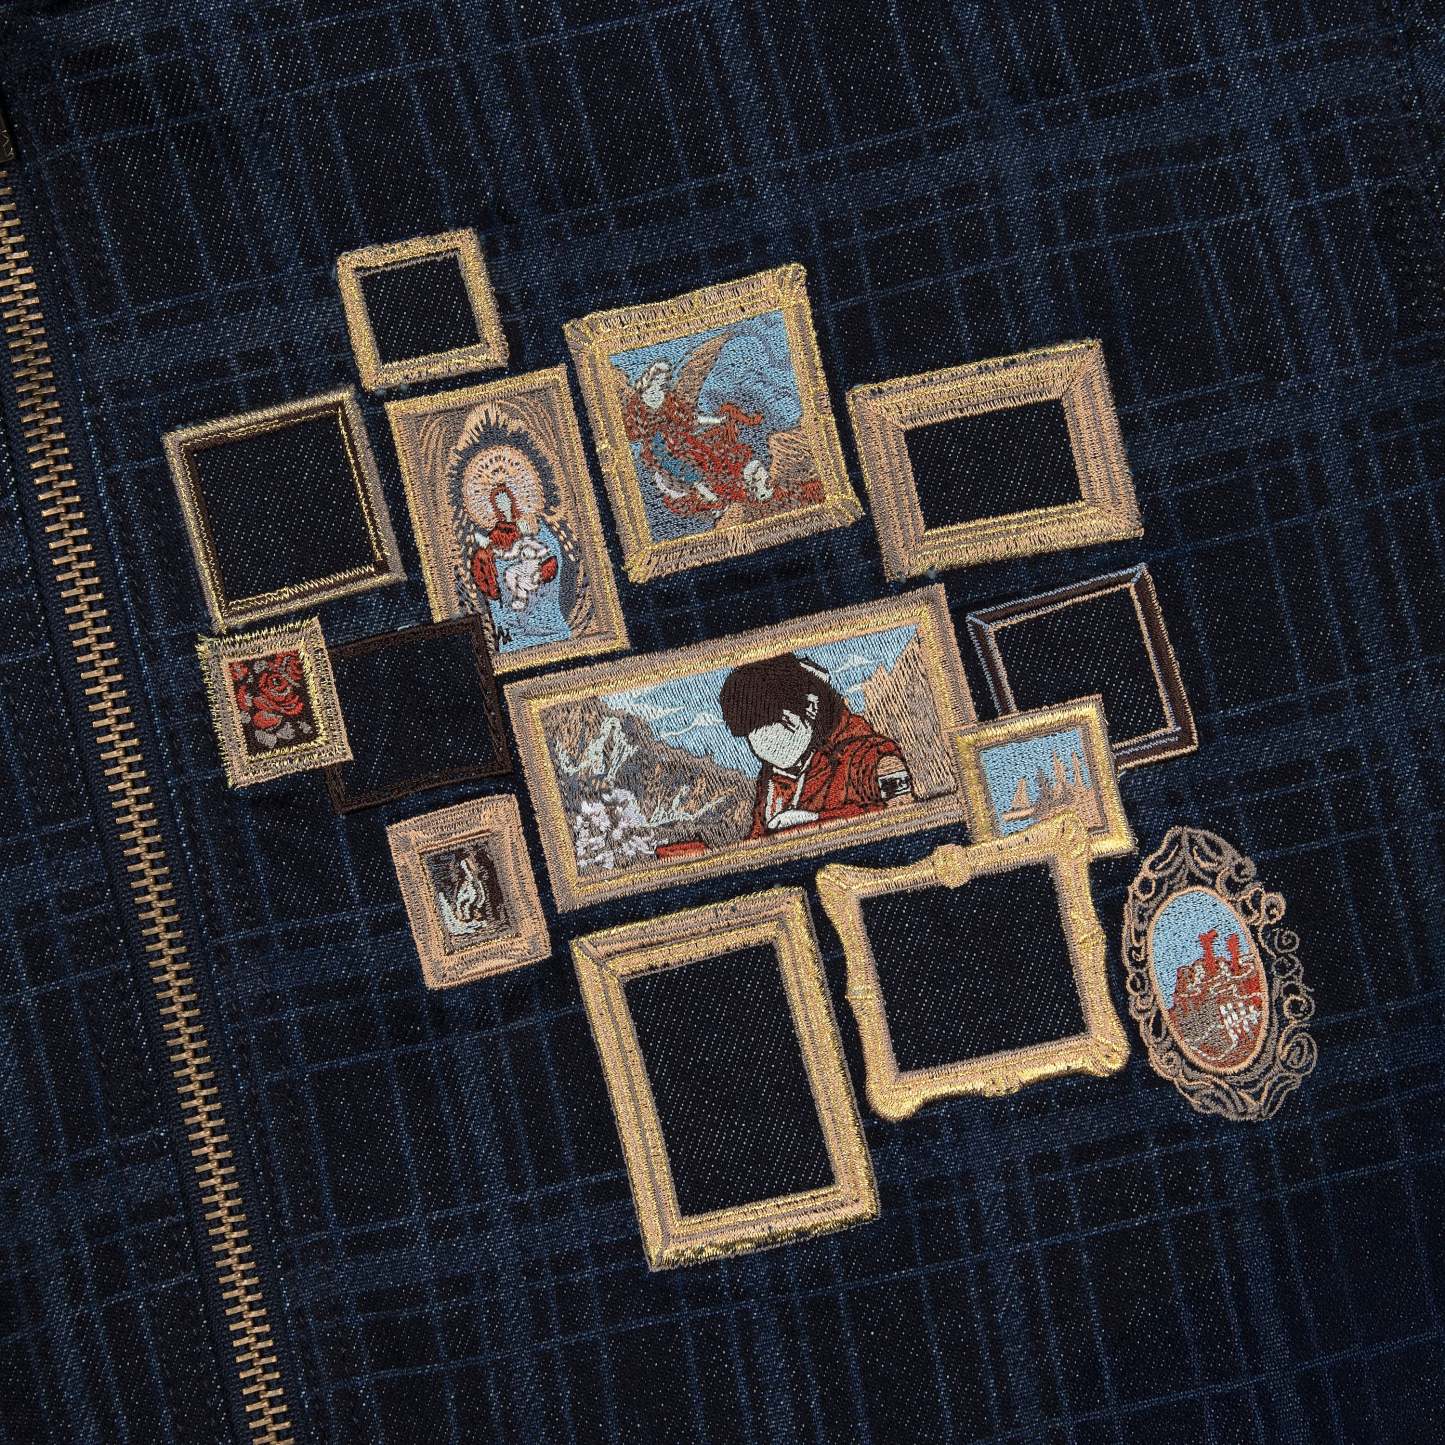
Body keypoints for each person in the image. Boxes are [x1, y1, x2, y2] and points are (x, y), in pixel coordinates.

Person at [718, 654, 912, 838]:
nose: (765, 743)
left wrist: (817, 821)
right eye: (752, 733)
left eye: (779, 724)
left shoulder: (872, 758)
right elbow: (758, 839)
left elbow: (906, 816)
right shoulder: (771, 778)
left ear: (811, 706)